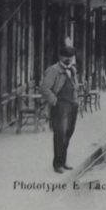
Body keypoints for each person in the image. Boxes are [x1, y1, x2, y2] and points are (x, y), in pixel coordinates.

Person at [39, 46, 80, 174]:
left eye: (70, 56)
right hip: (60, 106)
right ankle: (57, 164)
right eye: (65, 56)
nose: (68, 59)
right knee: (60, 134)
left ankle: (63, 161)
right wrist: (55, 101)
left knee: (68, 133)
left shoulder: (72, 69)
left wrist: (76, 100)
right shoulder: (53, 70)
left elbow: (74, 85)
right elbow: (44, 88)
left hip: (72, 105)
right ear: (60, 56)